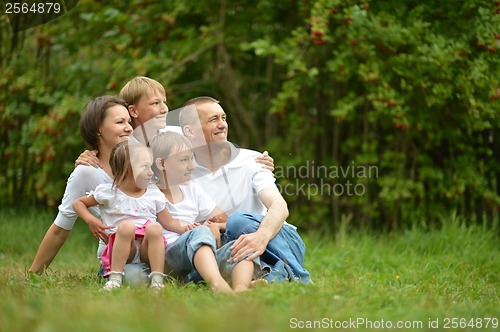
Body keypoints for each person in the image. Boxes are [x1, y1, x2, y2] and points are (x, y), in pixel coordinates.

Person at [179, 97, 311, 283]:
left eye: (223, 118)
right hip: (231, 246)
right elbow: (158, 134)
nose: (222, 125)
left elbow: (279, 206)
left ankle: (299, 277)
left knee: (238, 221)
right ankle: (267, 279)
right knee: (204, 253)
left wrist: (261, 236)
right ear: (190, 131)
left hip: (277, 239)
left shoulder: (251, 161)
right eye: (213, 120)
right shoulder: (181, 170)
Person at [28, 96, 133, 275]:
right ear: (98, 129)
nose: (129, 128)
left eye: (129, 121)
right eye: (120, 122)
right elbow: (60, 229)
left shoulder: (143, 162)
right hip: (117, 259)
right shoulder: (86, 173)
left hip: (152, 249)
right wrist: (32, 276)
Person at [72, 141, 189, 290]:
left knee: (154, 228)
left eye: (150, 166)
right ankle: (114, 279)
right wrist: (91, 220)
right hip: (122, 251)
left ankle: (157, 280)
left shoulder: (153, 194)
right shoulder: (108, 192)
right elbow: (78, 203)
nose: (151, 172)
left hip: (147, 251)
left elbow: (170, 222)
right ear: (128, 170)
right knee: (126, 227)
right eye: (145, 167)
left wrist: (188, 229)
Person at [150, 131, 257, 292]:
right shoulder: (150, 194)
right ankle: (218, 284)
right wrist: (201, 230)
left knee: (239, 247)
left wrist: (215, 227)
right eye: (184, 160)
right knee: (199, 232)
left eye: (191, 158)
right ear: (162, 164)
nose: (192, 166)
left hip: (199, 262)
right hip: (169, 258)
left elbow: (224, 219)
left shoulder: (193, 189)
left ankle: (241, 288)